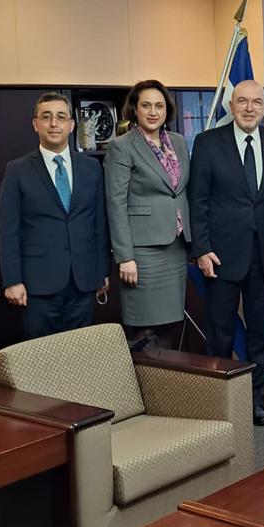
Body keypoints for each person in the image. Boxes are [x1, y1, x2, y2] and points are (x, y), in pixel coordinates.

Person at [189, 79, 264, 426]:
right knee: (219, 334)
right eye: (243, 101)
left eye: (256, 102)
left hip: (263, 256)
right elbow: (198, 201)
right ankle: (220, 403)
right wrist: (202, 249)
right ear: (232, 106)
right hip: (220, 257)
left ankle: (256, 401)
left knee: (260, 334)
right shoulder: (208, 143)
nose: (250, 108)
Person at [0, 91, 109, 340]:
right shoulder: (17, 170)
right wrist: (12, 280)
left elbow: (99, 224)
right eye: (46, 117)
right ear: (35, 124)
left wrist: (101, 270)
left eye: (61, 117)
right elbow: (8, 230)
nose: (54, 123)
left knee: (80, 351)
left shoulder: (91, 168)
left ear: (72, 125)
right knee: (42, 354)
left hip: (83, 280)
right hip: (38, 284)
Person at [105, 80, 191, 349]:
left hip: (176, 247)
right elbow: (115, 203)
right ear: (135, 109)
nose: (153, 112)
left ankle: (166, 374)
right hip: (143, 252)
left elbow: (180, 191)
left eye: (159, 106)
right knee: (145, 327)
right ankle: (146, 376)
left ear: (167, 110)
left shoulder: (178, 142)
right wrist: (125, 256)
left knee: (170, 324)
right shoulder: (122, 146)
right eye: (146, 105)